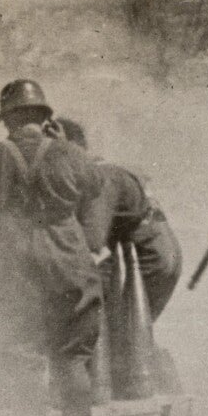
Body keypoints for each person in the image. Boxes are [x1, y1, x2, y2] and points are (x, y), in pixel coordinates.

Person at [0, 79, 103, 416]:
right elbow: (94, 186)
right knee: (73, 360)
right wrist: (64, 146)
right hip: (69, 264)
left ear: (7, 119)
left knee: (24, 361)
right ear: (45, 116)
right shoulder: (70, 153)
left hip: (16, 271)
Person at [53, 119, 183, 321]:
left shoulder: (102, 177)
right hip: (160, 254)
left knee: (101, 319)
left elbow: (92, 243)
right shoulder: (107, 171)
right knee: (125, 326)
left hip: (151, 257)